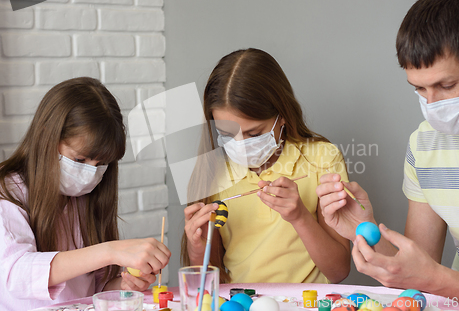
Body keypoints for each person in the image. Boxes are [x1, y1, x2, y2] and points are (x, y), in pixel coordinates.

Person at [317, 0, 459, 309]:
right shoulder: (425, 143)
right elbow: (417, 268)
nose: (433, 105)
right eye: (419, 89)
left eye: (446, 86)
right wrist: (364, 230)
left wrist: (437, 280)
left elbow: (430, 278)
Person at [0, 77, 171, 310]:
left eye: (101, 164)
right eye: (79, 160)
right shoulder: (9, 192)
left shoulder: (85, 199)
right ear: (47, 137)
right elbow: (16, 273)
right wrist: (110, 251)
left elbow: (93, 289)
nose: (90, 174)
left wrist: (124, 286)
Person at [182, 48, 351, 284]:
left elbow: (339, 270)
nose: (241, 146)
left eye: (254, 133)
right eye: (226, 134)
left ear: (282, 116)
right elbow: (207, 284)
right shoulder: (211, 171)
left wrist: (300, 216)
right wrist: (197, 247)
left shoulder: (322, 157)